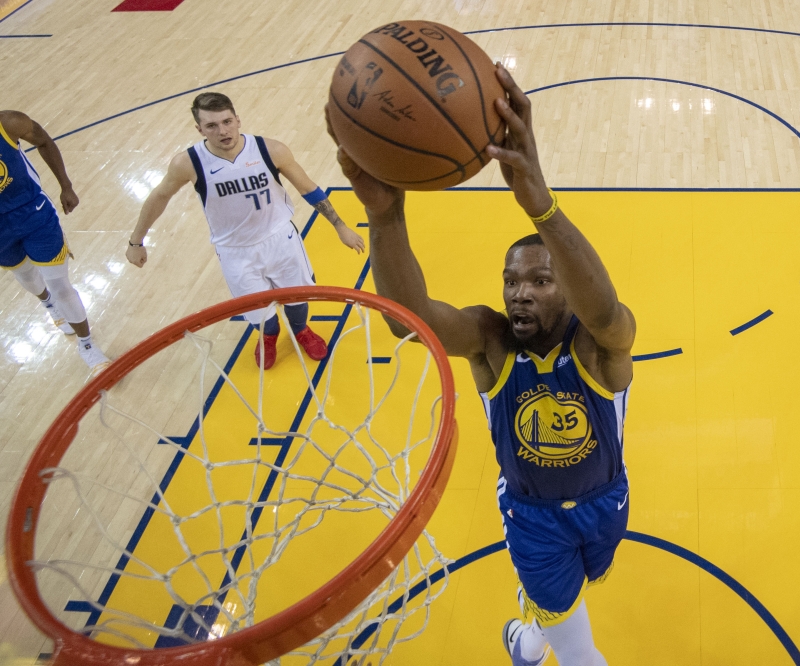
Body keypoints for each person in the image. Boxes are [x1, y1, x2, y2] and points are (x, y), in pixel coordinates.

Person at [330, 64, 635, 666]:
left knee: (564, 607)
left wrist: (542, 206)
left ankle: (524, 640)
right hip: (533, 521)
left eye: (541, 281)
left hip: (607, 502)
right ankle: (541, 634)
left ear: (566, 290)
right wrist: (385, 214)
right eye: (511, 281)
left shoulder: (599, 347)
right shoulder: (491, 343)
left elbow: (606, 310)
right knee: (581, 653)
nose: (520, 292)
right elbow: (405, 318)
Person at [126, 92, 366, 369]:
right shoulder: (189, 163)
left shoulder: (270, 150)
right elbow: (159, 197)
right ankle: (269, 336)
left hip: (280, 240)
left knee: (298, 298)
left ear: (238, 119)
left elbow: (308, 188)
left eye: (227, 121)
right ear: (199, 129)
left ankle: (301, 330)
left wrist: (340, 226)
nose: (223, 131)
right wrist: (136, 242)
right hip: (235, 251)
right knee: (259, 312)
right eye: (212, 126)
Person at [0, 110, 110, 372]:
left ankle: (87, 345)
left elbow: (44, 141)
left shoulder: (8, 122)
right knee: (26, 275)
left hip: (33, 212)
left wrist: (66, 185)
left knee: (60, 284)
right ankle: (48, 303)